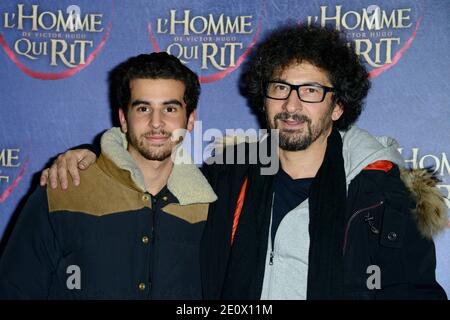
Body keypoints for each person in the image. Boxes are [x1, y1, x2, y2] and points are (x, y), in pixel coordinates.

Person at [38, 25, 448, 300]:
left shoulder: (382, 193)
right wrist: (94, 154)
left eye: (310, 91)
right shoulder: (223, 177)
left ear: (338, 105)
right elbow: (149, 166)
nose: (291, 104)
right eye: (280, 88)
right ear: (263, 97)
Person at [0, 52, 217, 299]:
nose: (156, 123)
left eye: (169, 108)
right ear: (123, 119)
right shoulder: (65, 188)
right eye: (143, 108)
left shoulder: (211, 208)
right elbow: (15, 289)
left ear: (190, 120)